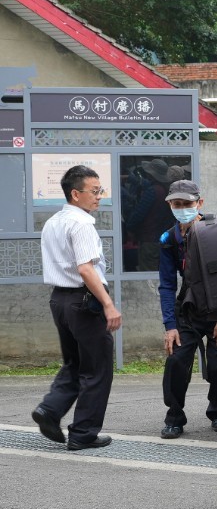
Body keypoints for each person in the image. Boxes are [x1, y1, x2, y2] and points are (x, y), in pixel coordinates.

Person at [31, 164, 121, 451]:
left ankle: (50, 409)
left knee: (75, 363)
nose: (99, 196)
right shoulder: (81, 223)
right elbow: (85, 269)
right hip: (85, 302)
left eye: (100, 190)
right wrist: (108, 304)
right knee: (96, 369)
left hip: (60, 299)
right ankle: (83, 433)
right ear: (75, 194)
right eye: (94, 191)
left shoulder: (54, 222)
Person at [157, 179, 217, 439]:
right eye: (176, 204)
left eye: (187, 204)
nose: (182, 208)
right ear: (169, 205)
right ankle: (175, 415)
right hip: (188, 309)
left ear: (199, 203)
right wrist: (170, 326)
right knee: (177, 359)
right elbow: (167, 285)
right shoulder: (169, 239)